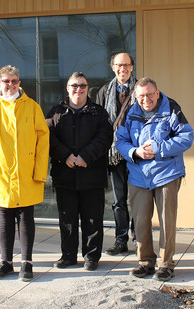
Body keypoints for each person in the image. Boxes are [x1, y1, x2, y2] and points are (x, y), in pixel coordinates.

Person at [0, 65, 49, 282]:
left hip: (27, 174)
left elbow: (43, 141)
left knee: (26, 218)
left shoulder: (33, 107)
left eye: (14, 81)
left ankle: (27, 263)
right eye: (5, 81)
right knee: (4, 219)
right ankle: (6, 262)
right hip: (1, 175)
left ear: (19, 82)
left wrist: (40, 172)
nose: (10, 85)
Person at [116, 77, 194, 281]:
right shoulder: (130, 112)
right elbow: (121, 140)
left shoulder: (172, 108)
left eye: (150, 94)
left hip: (166, 173)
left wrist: (159, 148)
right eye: (141, 95)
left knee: (167, 221)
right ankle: (145, 261)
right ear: (136, 96)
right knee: (141, 221)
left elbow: (186, 137)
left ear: (157, 93)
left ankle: (166, 264)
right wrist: (134, 151)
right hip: (138, 175)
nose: (146, 99)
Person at [47, 72, 113, 271]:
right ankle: (68, 256)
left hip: (92, 175)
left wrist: (86, 156)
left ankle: (91, 257)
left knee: (92, 219)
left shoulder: (99, 113)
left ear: (87, 88)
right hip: (64, 175)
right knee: (67, 219)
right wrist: (65, 155)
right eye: (74, 85)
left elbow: (105, 138)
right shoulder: (55, 112)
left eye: (82, 85)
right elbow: (47, 138)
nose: (78, 89)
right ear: (67, 88)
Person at [95, 52, 137, 256]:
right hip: (115, 155)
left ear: (132, 67)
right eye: (119, 65)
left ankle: (139, 237)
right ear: (113, 67)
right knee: (119, 200)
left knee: (139, 198)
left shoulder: (142, 89)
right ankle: (121, 240)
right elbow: (100, 123)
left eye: (127, 65)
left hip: (138, 154)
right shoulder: (104, 91)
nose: (123, 69)